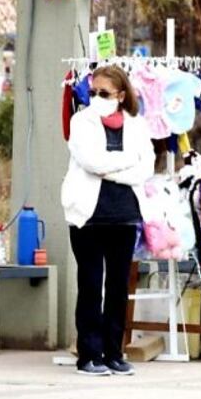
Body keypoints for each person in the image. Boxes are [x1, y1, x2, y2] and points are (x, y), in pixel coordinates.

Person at [60, 65, 155, 377]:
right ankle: (89, 354)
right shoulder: (81, 121)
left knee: (117, 288)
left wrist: (110, 168)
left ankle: (115, 352)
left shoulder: (137, 126)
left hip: (125, 216)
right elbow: (90, 161)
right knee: (90, 285)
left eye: (105, 93)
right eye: (93, 92)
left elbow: (146, 167)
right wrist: (125, 162)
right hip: (87, 216)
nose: (97, 97)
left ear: (121, 95)